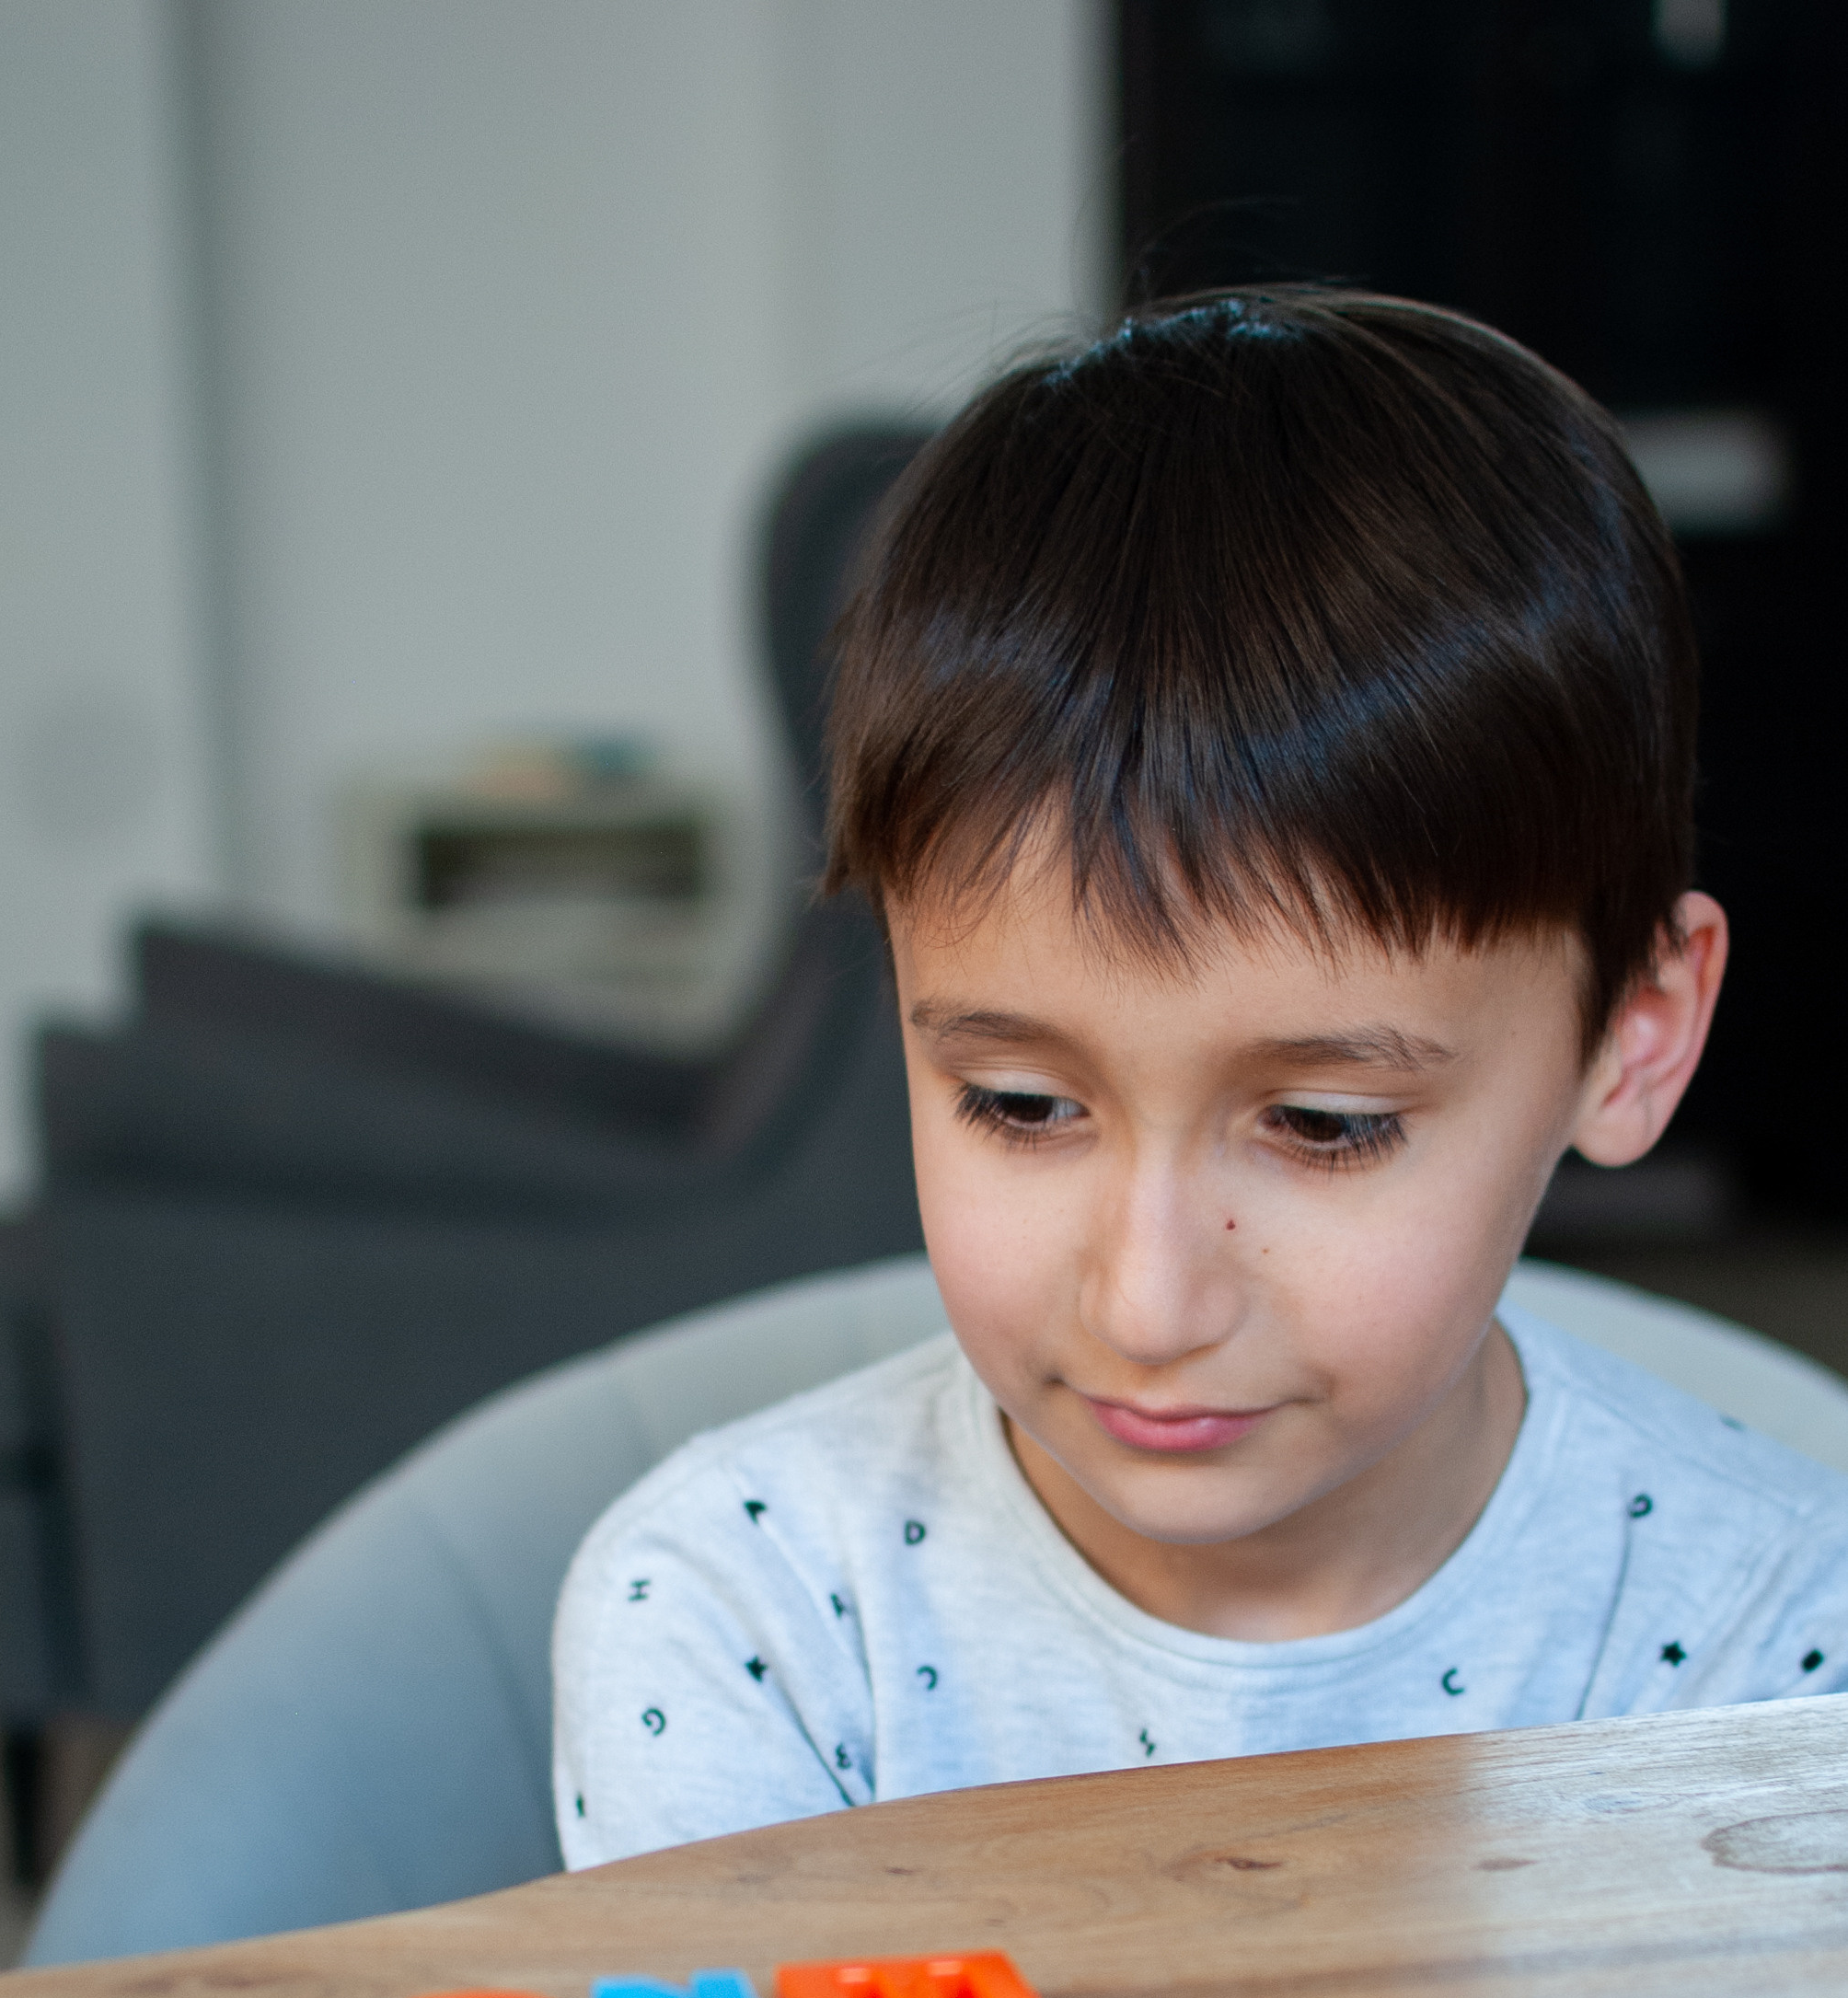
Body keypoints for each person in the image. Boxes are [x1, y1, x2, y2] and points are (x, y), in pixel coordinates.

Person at [552, 286, 1848, 1870]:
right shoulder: (742, 1619)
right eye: (1020, 1106)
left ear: (1631, 1036)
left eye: (1322, 1125)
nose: (1151, 1307)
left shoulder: (1779, 1640)